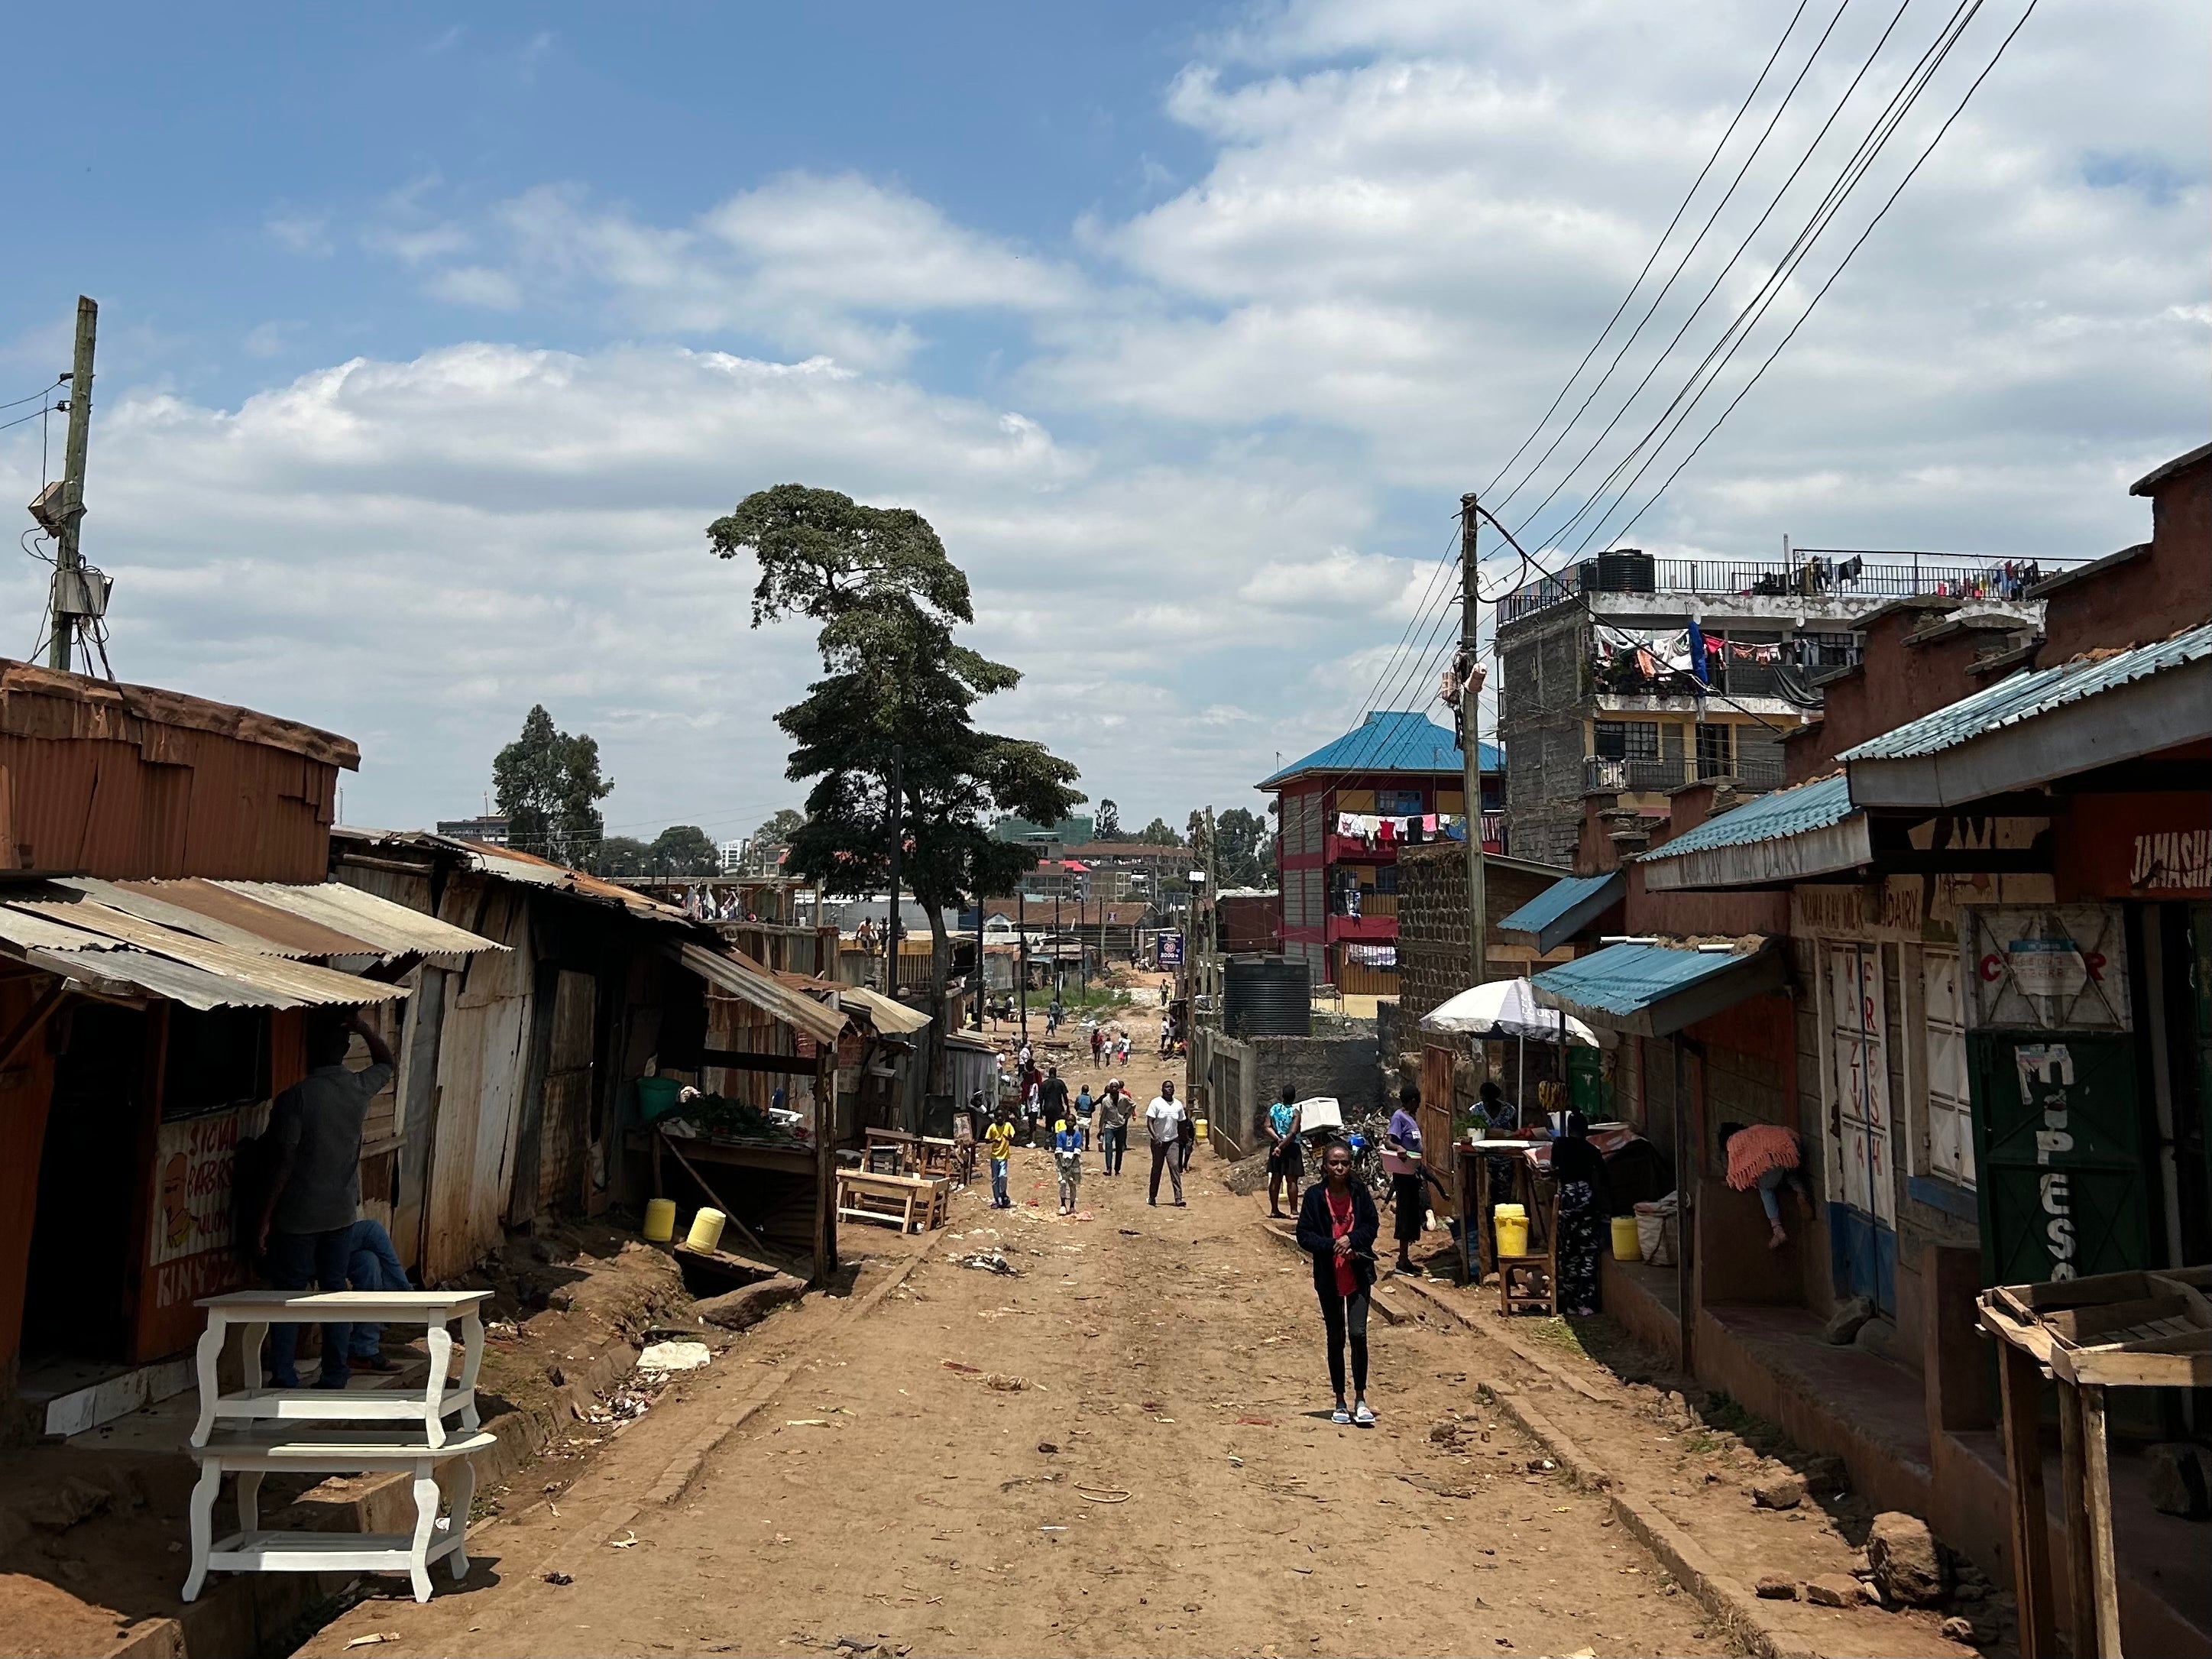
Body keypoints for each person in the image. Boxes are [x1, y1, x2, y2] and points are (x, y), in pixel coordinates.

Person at [258, 1009, 395, 1389]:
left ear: (308, 1053)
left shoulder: (296, 1098)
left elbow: (283, 1162)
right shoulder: (358, 1088)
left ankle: (284, 1375)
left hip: (298, 1217)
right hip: (339, 1215)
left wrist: (265, 1217)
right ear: (343, 1052)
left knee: (290, 1297)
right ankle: (335, 1373)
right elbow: (387, 1061)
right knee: (335, 1294)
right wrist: (365, 1028)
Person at [1295, 1141, 1380, 1427]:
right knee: (1336, 1337)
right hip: (1329, 1276)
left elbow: (1371, 1225)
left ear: (1350, 1165)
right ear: (1325, 1167)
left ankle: (1361, 1398)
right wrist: (1332, 1245)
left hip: (1358, 1274)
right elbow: (1304, 1234)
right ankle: (1340, 1400)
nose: (1339, 1168)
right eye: (1334, 1163)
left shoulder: (1360, 1194)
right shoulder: (1315, 1197)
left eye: (1344, 1163)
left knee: (1358, 1334)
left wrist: (1352, 1240)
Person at [1545, 1112, 1611, 1316]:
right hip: (1587, 1203)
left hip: (1567, 1201)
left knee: (1568, 1252)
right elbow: (1604, 1177)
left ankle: (1570, 1303)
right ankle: (1586, 1303)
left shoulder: (1560, 1145)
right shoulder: (1592, 1150)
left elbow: (1553, 1166)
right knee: (1588, 1253)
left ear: (1569, 1128)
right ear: (1587, 1130)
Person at [1719, 1120, 1813, 1249]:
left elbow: (1738, 1171)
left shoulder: (1734, 1141)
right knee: (1786, 1170)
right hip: (1793, 1145)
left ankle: (1777, 1229)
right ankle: (1801, 1194)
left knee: (1764, 1187)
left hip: (1773, 1158)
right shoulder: (1756, 1129)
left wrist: (1732, 1181)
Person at [345, 1215, 410, 1372]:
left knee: (368, 1262)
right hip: (307, 1239)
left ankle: (362, 1351)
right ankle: (404, 1293)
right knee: (372, 1230)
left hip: (330, 1238)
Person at [1385, 1083, 1428, 1274]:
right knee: (1405, 1214)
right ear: (1412, 1101)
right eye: (1417, 1102)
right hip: (1403, 1174)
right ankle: (1402, 1260)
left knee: (1412, 1215)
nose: (1418, 1106)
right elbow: (1389, 1141)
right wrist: (1399, 1148)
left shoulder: (1411, 1118)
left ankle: (1406, 1258)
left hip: (1413, 1172)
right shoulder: (1399, 1117)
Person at [1145, 1080, 1186, 1207]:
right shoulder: (1156, 1103)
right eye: (1167, 1087)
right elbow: (1150, 1121)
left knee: (1174, 1166)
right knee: (1157, 1168)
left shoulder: (1178, 1105)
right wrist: (1155, 1136)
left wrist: (1184, 1140)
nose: (1169, 1089)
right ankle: (1152, 1196)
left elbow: (1182, 1122)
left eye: (1171, 1087)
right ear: (1162, 1089)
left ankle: (1178, 1198)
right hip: (1158, 1142)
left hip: (1173, 1140)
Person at [1265, 1086, 1304, 1219]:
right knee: (1292, 1179)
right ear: (1294, 1097)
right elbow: (1293, 1133)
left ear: (1282, 1096)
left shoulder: (1274, 1109)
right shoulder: (1295, 1113)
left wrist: (1277, 1140)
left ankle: (1274, 1210)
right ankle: (1293, 1211)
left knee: (1276, 1178)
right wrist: (1282, 1145)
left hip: (1276, 1146)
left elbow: (1267, 1126)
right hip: (1291, 1148)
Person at [1097, 1079, 1134, 1175]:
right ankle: (1108, 1168)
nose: (1114, 1088)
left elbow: (1133, 1104)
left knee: (1119, 1148)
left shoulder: (1124, 1098)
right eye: (1112, 1087)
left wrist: (1127, 1115)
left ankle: (1117, 1169)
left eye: (1115, 1087)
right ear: (1109, 1087)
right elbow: (1102, 1115)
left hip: (1121, 1125)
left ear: (1118, 1088)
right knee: (1108, 1145)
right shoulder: (1105, 1101)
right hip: (1109, 1126)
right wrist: (1100, 1129)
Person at [983, 1104, 1018, 1208]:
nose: (999, 1118)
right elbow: (986, 1140)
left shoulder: (1008, 1126)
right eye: (997, 1117)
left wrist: (1008, 1138)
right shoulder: (992, 1127)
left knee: (1002, 1176)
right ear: (995, 1117)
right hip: (994, 1156)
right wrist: (994, 1140)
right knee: (995, 1179)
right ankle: (997, 1199)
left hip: (1004, 1156)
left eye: (1001, 1116)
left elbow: (1013, 1137)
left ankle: (1003, 1193)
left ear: (1004, 1117)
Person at [1052, 1112, 1085, 1214]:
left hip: (1074, 1161)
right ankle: (1062, 1204)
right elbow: (1059, 1149)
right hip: (1062, 1160)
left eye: (1072, 1121)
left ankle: (1072, 1205)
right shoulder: (1061, 1134)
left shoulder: (1077, 1134)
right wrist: (1062, 1163)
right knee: (1062, 1182)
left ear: (1075, 1123)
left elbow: (1077, 1149)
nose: (1070, 1122)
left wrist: (1071, 1163)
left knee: (1072, 1183)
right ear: (1065, 1122)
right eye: (1068, 1121)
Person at [1074, 1081, 1095, 1150]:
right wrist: (1090, 1112)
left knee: (1080, 1131)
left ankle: (1080, 1145)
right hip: (1088, 1116)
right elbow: (1093, 1107)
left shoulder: (1079, 1097)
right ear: (1088, 1091)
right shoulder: (1089, 1098)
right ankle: (1087, 1146)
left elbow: (1076, 1106)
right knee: (1087, 1131)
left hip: (1080, 1115)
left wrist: (1078, 1111)